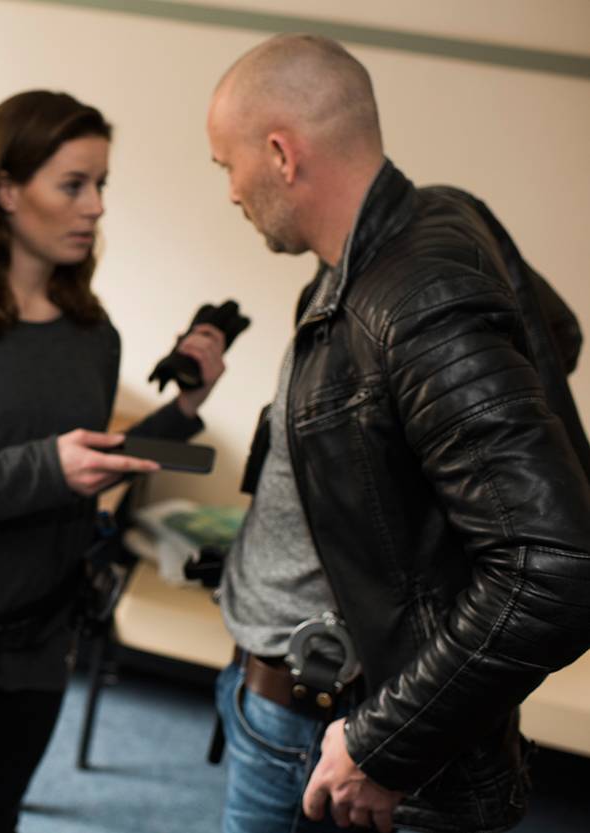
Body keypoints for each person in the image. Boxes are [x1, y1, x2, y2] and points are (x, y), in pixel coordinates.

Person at [206, 34, 590, 833]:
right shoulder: (435, 218)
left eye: (227, 166)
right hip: (286, 696)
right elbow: (554, 335)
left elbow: (557, 567)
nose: (231, 192)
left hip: (337, 734)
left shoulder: (417, 301)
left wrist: (382, 744)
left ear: (280, 154)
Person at [0, 90, 225, 833]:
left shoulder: (94, 333)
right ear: (6, 190)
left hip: (39, 633)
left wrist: (184, 410)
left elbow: (85, 462)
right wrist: (47, 468)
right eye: (73, 185)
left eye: (101, 185)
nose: (96, 206)